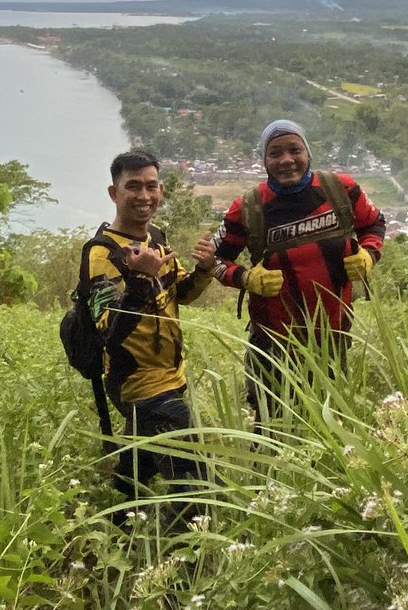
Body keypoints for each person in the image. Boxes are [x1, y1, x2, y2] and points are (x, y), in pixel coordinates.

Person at [207, 120, 386, 428]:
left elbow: (374, 224)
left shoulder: (340, 189)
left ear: (308, 152)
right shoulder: (248, 207)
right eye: (275, 153)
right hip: (273, 340)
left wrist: (368, 255)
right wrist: (246, 279)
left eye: (294, 150)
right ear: (264, 160)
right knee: (274, 425)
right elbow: (216, 261)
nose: (286, 160)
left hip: (333, 335)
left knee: (327, 422)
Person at [76, 149, 216, 510]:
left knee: (138, 467)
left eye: (151, 186)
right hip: (140, 383)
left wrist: (204, 271)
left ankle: (118, 515)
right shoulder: (102, 253)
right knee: (194, 485)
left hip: (171, 374)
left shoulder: (155, 238)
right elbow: (108, 327)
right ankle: (183, 557)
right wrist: (139, 278)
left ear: (161, 189)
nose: (143, 196)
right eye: (132, 186)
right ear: (114, 193)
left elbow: (180, 292)